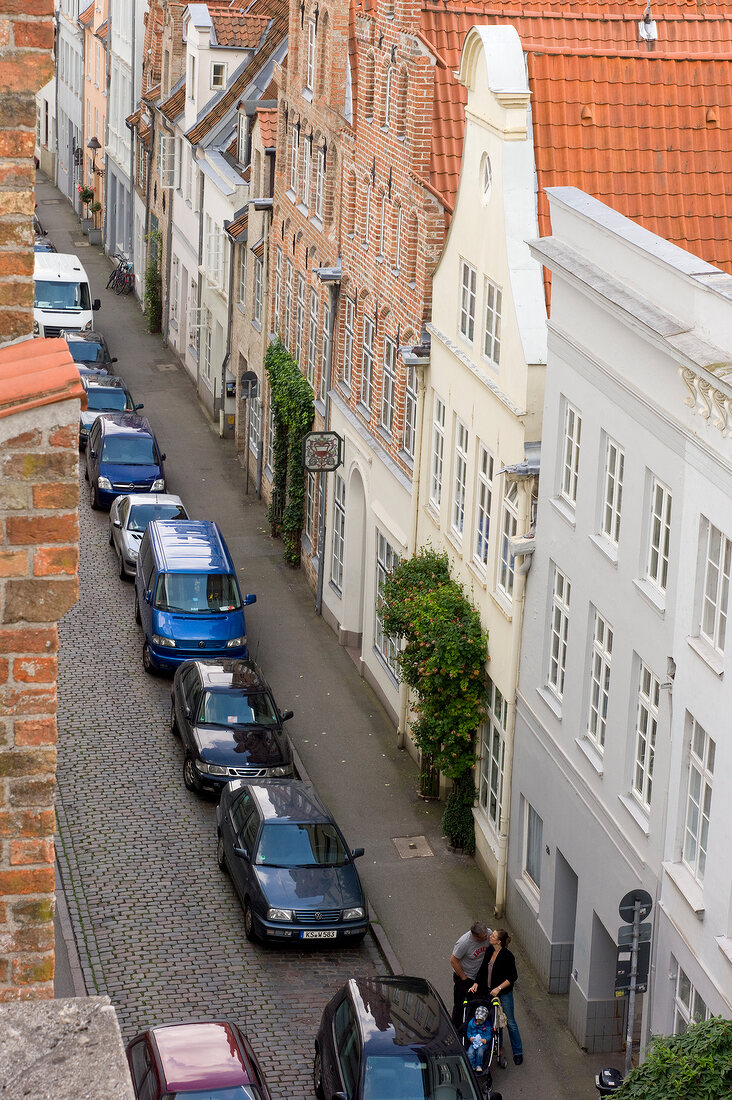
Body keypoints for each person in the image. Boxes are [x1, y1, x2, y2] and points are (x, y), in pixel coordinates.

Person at [478, 928, 523, 1065]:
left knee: (510, 1022)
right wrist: (476, 983)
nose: (490, 936)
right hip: (489, 991)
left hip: (503, 993)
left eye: (493, 936)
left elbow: (512, 976)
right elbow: (483, 970)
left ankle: (518, 1052)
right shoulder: (490, 950)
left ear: (499, 941)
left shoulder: (507, 956)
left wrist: (498, 988)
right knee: (495, 1021)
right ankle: (499, 1047)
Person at [450, 920, 491, 1025]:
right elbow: (453, 961)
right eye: (484, 937)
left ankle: (475, 1028)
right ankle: (457, 1028)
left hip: (479, 978)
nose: (487, 937)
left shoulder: (488, 933)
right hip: (465, 977)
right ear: (476, 937)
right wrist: (464, 978)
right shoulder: (464, 943)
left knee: (480, 1004)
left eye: (487, 934)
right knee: (460, 1006)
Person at [466, 1004, 491, 1072]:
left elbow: (489, 1035)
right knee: (470, 1052)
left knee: (480, 1052)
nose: (479, 1021)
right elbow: (468, 1032)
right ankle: (472, 1065)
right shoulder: (471, 1023)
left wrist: (486, 1039)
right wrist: (470, 1037)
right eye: (478, 1019)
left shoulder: (487, 1025)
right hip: (474, 1042)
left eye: (481, 1020)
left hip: (483, 1043)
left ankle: (478, 1065)